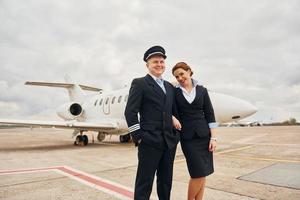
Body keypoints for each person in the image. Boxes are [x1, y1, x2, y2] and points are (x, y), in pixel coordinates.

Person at [124, 46, 180, 200]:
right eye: (155, 61)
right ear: (147, 65)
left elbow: (171, 110)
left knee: (165, 181)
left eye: (162, 61)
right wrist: (138, 137)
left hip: (169, 141)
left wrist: (174, 124)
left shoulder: (169, 87)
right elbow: (130, 112)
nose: (159, 64)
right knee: (145, 181)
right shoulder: (140, 83)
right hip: (149, 141)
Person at [172, 62, 218, 200]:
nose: (180, 78)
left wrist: (213, 138)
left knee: (204, 173)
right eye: (176, 76)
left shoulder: (202, 90)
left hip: (204, 136)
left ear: (189, 71)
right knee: (197, 173)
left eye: (182, 74)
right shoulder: (175, 92)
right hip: (188, 138)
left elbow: (210, 114)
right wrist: (172, 117)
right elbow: (168, 109)